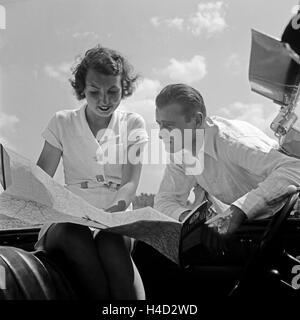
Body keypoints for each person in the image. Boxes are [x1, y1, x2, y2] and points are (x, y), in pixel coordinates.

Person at [35, 45, 148, 300]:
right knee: (74, 233)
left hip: (116, 217)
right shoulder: (61, 121)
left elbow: (130, 183)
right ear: (82, 90)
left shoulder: (133, 123)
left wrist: (111, 215)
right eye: (95, 92)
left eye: (113, 91)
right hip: (69, 219)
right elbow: (42, 177)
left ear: (124, 89)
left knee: (112, 241)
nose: (104, 100)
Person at [154, 83, 300, 236]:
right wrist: (191, 219)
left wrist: (238, 210)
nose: (160, 134)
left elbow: (295, 168)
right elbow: (165, 200)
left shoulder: (231, 140)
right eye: (159, 124)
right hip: (254, 229)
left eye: (169, 126)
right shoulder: (180, 153)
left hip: (288, 223)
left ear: (197, 121)